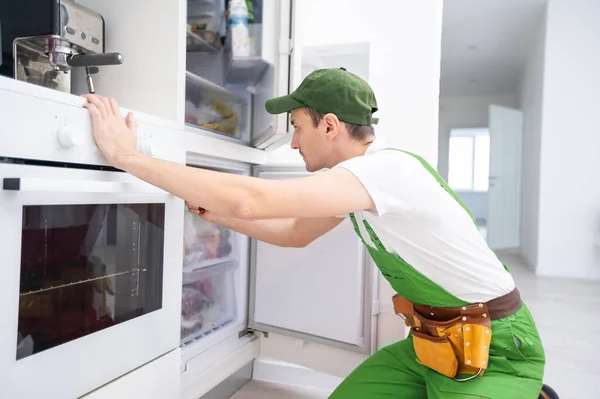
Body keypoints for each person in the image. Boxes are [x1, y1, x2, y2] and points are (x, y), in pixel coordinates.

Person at [82, 67, 545, 398]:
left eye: (298, 128)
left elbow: (252, 199)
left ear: (330, 125)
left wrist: (128, 157)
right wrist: (221, 217)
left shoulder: (388, 171)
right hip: (432, 344)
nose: (295, 142)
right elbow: (294, 233)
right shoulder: (357, 187)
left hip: (496, 346)